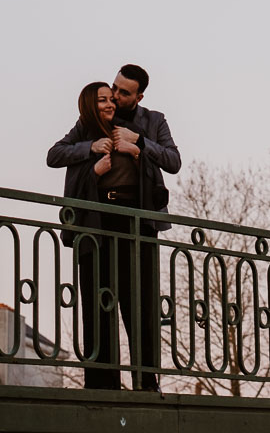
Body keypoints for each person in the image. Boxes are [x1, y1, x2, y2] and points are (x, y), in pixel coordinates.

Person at [47, 65, 180, 391]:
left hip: (139, 222)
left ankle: (146, 383)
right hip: (98, 222)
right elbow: (54, 155)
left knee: (142, 306)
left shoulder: (154, 121)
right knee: (97, 301)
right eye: (113, 91)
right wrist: (90, 149)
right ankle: (102, 382)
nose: (116, 98)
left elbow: (173, 162)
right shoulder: (90, 123)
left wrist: (140, 146)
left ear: (139, 96)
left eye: (123, 93)